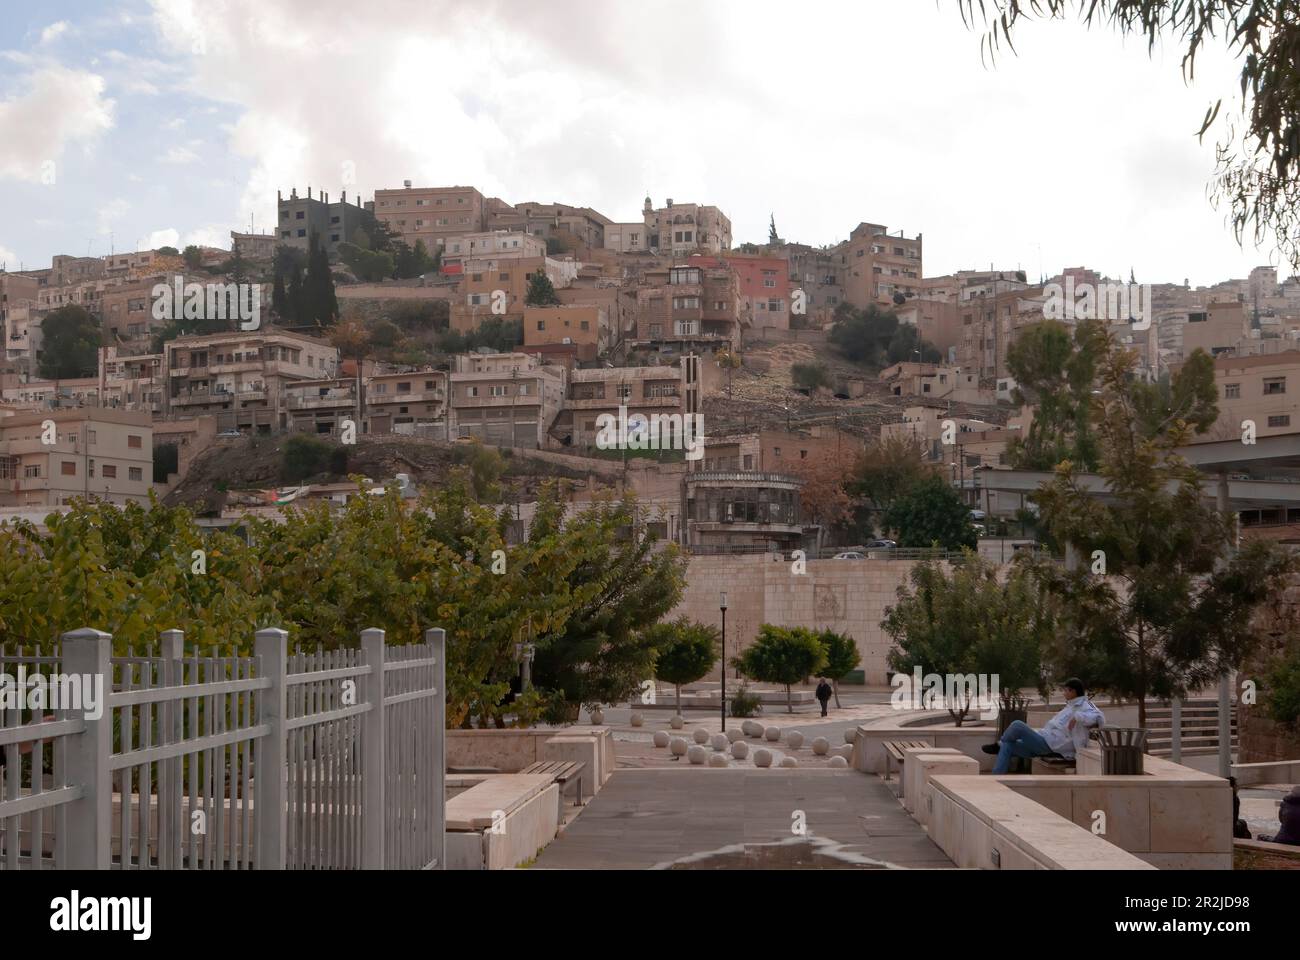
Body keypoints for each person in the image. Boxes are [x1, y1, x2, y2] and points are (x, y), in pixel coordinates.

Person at [982, 678, 1104, 774]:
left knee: (1017, 725)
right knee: (1007, 745)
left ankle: (999, 743)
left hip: (1051, 745)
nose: (1063, 693)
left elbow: (1099, 717)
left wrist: (1078, 717)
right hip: (1044, 740)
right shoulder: (1069, 706)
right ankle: (996, 779)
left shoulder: (1085, 705)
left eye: (1065, 690)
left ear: (1073, 691)